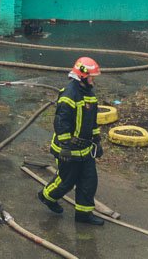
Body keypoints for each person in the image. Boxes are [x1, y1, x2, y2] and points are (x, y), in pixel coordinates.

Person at [38, 57, 105, 225]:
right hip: (68, 148)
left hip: (85, 148)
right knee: (66, 181)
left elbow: (92, 121)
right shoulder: (69, 95)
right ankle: (46, 196)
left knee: (89, 181)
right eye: (91, 76)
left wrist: (97, 140)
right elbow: (61, 123)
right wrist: (66, 147)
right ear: (82, 75)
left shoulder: (89, 94)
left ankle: (83, 215)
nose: (93, 80)